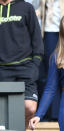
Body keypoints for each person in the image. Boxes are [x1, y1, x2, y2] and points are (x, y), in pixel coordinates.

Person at [0, 0, 43, 128]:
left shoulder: (26, 7)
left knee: (29, 107)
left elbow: (37, 39)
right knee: (3, 114)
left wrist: (35, 65)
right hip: (2, 69)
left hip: (25, 67)